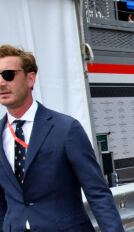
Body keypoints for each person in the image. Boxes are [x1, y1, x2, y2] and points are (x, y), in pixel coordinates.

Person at [0, 45, 124, 232]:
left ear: (30, 78)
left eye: (8, 75)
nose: (2, 82)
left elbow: (97, 192)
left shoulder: (66, 129)